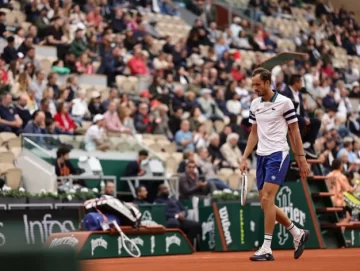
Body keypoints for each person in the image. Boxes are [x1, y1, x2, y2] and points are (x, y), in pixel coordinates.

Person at [240, 68, 310, 261]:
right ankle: (297, 233)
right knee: (265, 204)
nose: (254, 88)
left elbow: (294, 132)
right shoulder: (254, 104)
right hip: (261, 156)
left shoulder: (285, 103)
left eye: (258, 84)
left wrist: (301, 159)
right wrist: (245, 157)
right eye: (252, 84)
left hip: (278, 155)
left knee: (268, 198)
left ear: (268, 83)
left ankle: (267, 248)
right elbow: (253, 133)